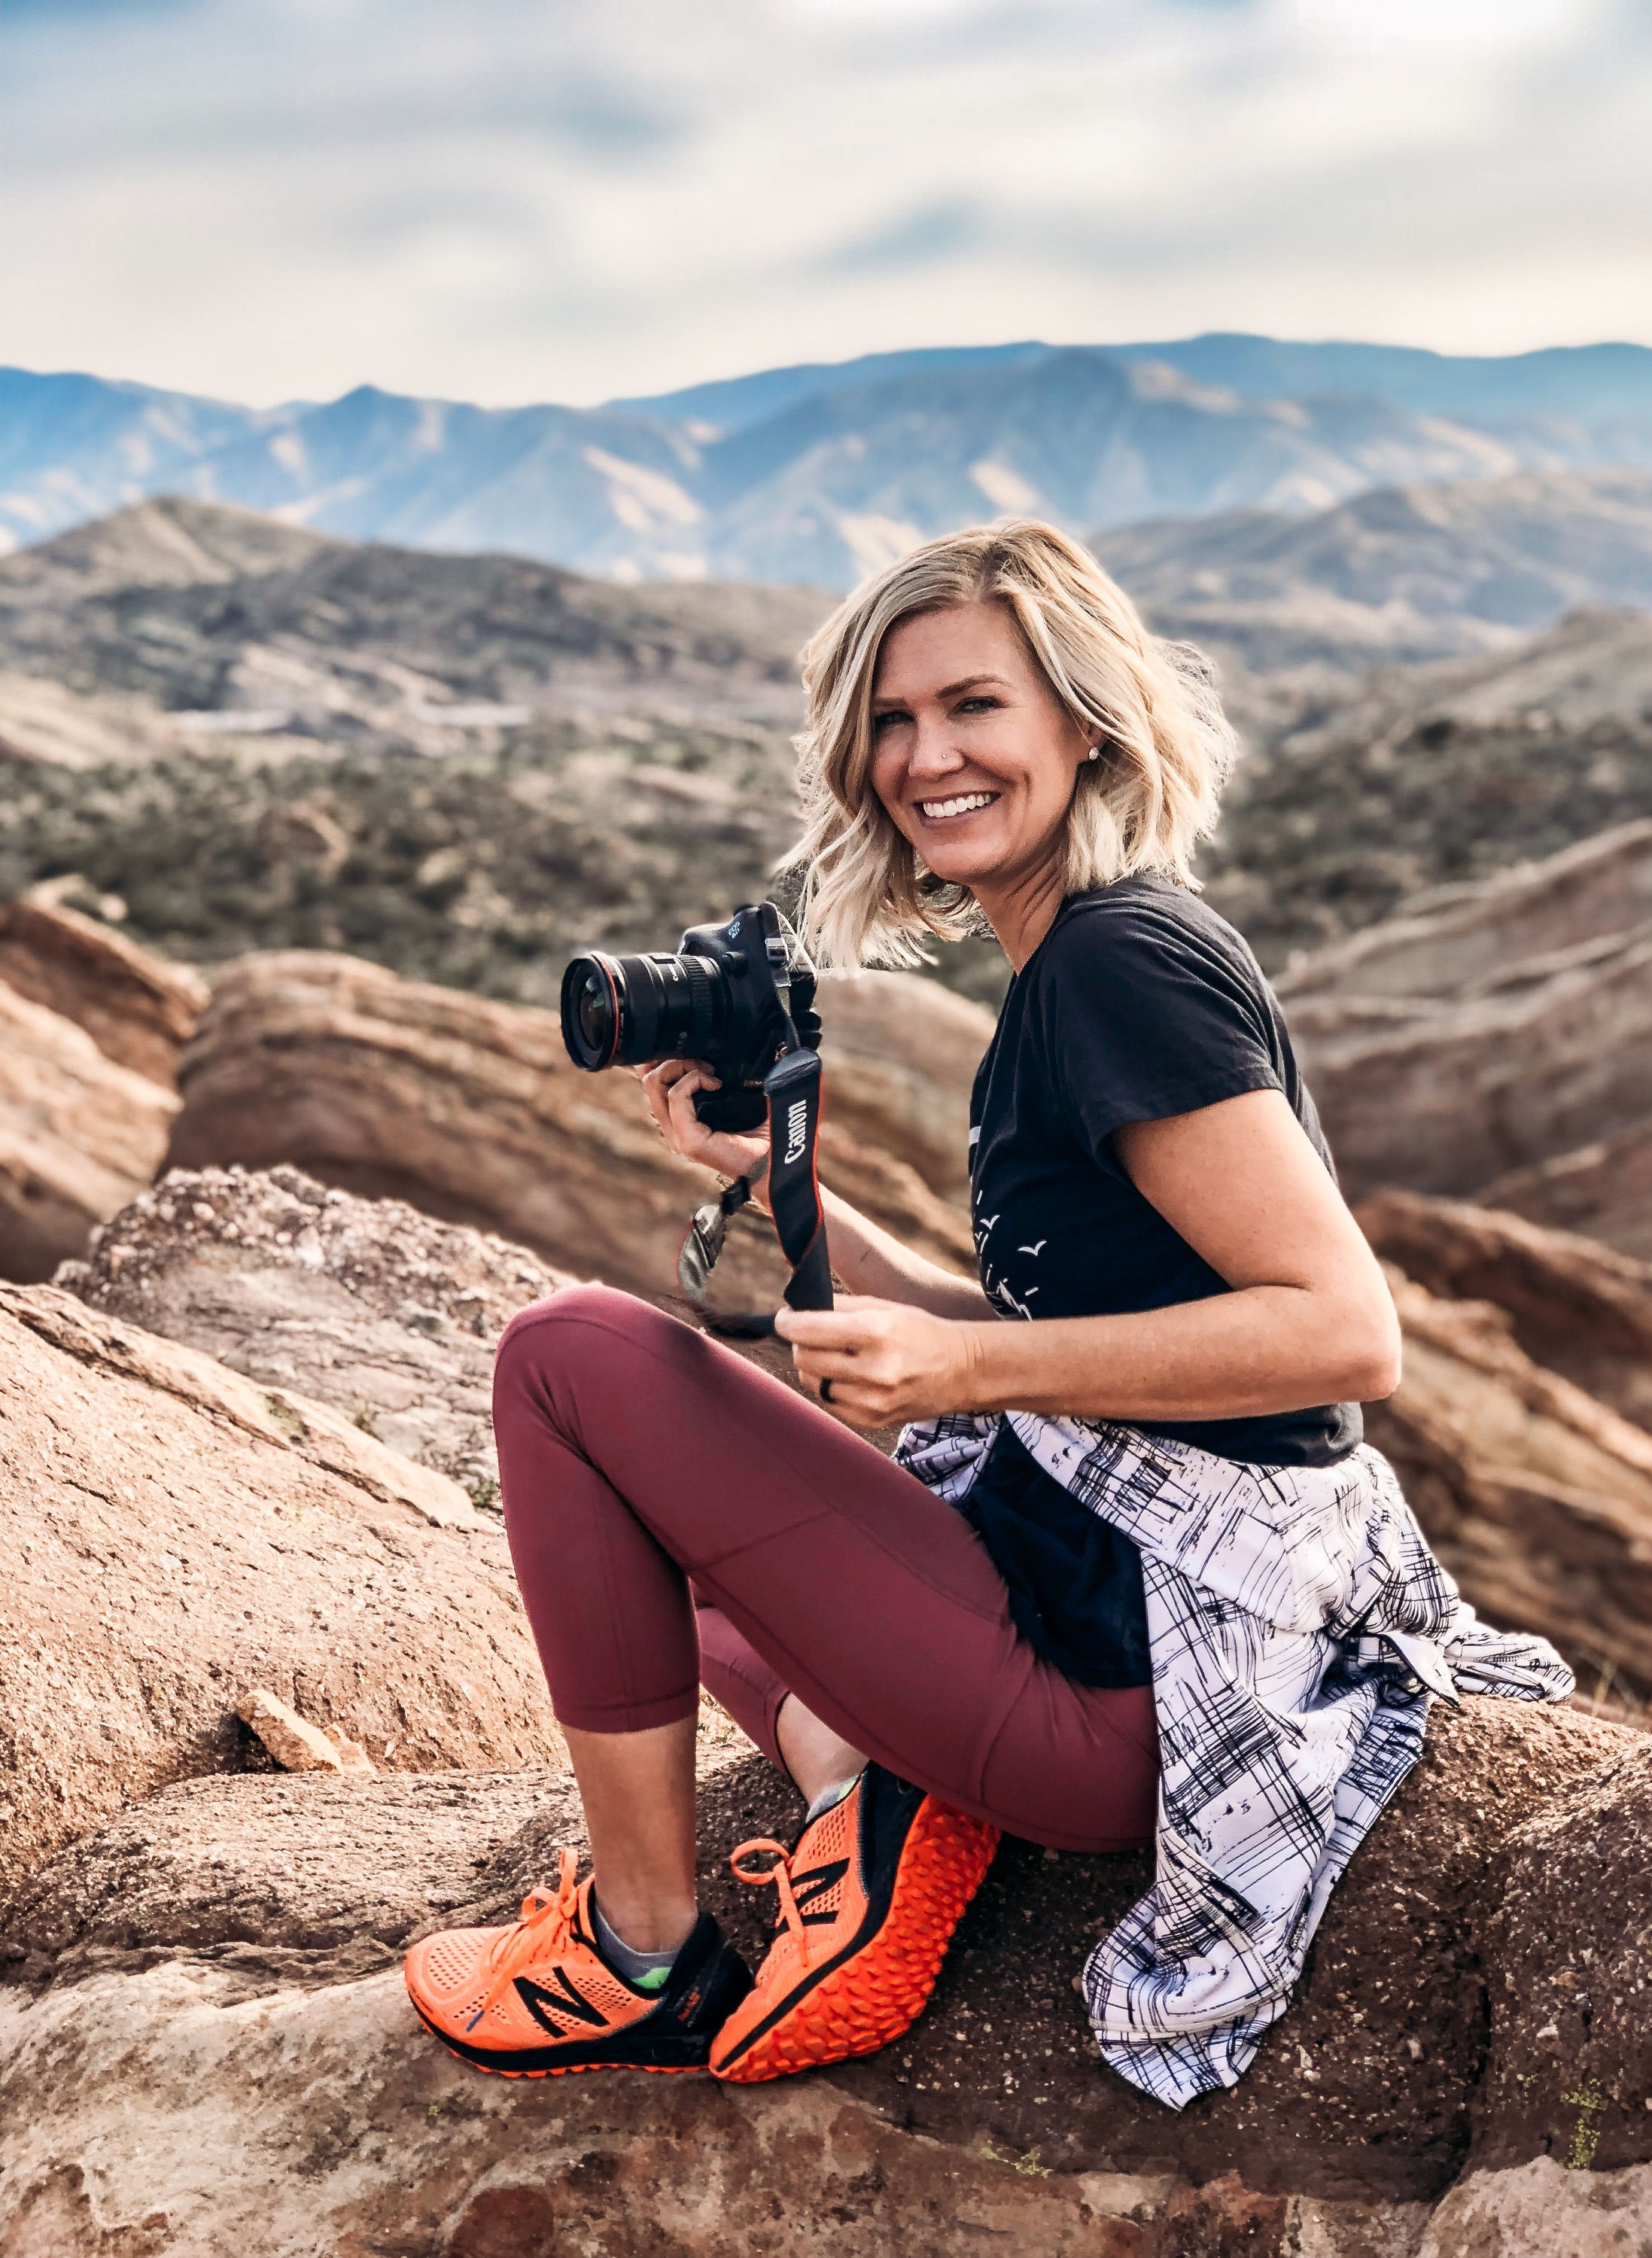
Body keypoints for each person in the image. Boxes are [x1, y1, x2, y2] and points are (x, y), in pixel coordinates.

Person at [404, 521, 1569, 2104]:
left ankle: (636, 1952)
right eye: (890, 720)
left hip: (1114, 1689)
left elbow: (1344, 1329)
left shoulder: (1117, 970)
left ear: (1085, 723)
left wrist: (967, 1364)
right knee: (673, 1588)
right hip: (1084, 1616)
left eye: (973, 708)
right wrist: (784, 1184)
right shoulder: (1071, 959)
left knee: (564, 1361)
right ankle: (868, 1793)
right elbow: (1073, 1319)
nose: (924, 757)